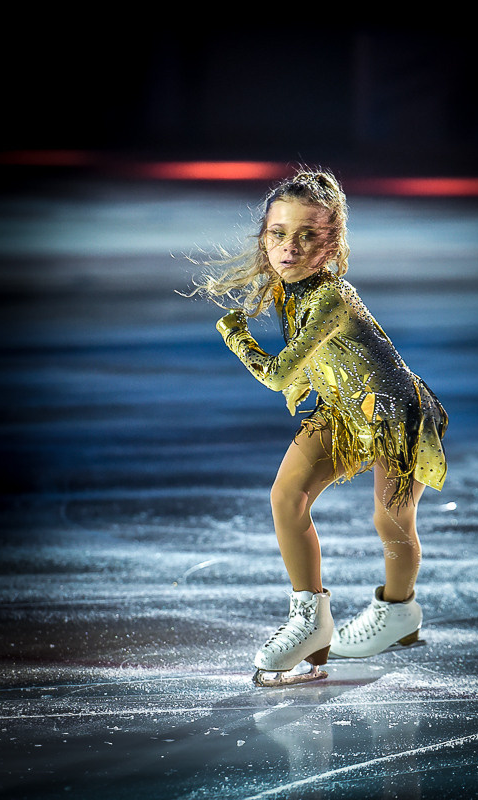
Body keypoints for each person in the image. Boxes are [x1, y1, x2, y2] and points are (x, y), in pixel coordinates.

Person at [186, 168, 448, 686]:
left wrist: (237, 337)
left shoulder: (331, 298)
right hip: (343, 410)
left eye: (308, 235)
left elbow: (279, 371)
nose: (290, 248)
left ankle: (399, 613)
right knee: (287, 497)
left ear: (332, 244)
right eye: (278, 234)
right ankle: (311, 618)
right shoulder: (291, 292)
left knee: (391, 520)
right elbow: (314, 365)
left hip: (395, 416)